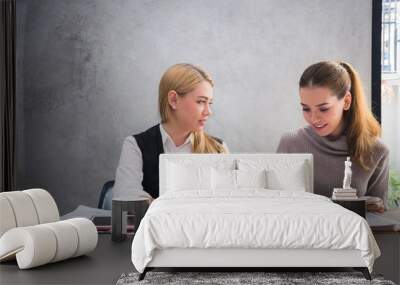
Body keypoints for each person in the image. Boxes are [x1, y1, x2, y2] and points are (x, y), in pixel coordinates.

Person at [277, 61, 389, 212]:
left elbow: (378, 215)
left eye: (323, 109)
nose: (314, 118)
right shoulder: (290, 143)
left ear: (347, 101)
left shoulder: (377, 151)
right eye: (306, 109)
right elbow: (277, 206)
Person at [113, 63, 228, 202]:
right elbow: (125, 196)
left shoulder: (218, 148)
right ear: (173, 100)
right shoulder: (135, 145)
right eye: (201, 101)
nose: (208, 112)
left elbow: (227, 202)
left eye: (210, 103)